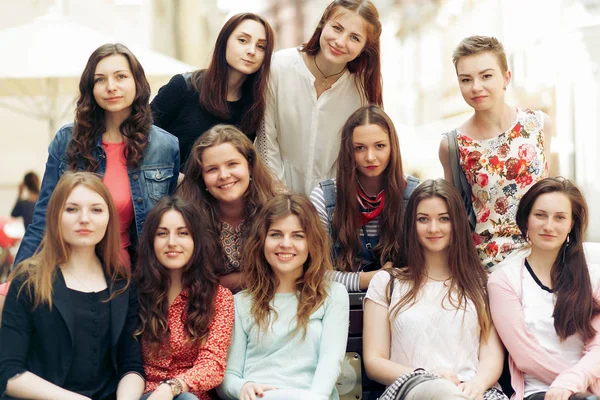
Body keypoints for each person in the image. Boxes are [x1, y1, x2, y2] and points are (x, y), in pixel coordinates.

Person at [14, 43, 180, 270]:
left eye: (121, 76)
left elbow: (166, 223)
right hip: (71, 271)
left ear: (137, 83)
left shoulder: (164, 146)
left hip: (135, 279)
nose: (111, 87)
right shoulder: (68, 140)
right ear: (90, 88)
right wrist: (16, 280)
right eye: (100, 79)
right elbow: (44, 217)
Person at [0, 172, 145, 400]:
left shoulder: (122, 284)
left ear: (109, 218)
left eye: (96, 210)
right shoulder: (28, 280)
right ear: (55, 216)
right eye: (72, 209)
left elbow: (132, 366)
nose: (85, 218)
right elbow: (8, 372)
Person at [363, 179, 506, 400]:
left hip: (472, 391)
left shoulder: (480, 284)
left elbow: (491, 355)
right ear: (411, 224)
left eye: (444, 219)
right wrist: (427, 377)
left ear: (457, 222)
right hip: (410, 388)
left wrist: (477, 385)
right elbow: (374, 361)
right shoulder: (386, 283)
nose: (433, 228)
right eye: (423, 219)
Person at [217, 193, 349, 400]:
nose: (286, 244)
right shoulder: (241, 302)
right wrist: (243, 387)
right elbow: (229, 376)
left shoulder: (333, 295)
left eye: (297, 235)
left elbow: (330, 361)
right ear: (262, 241)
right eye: (276, 234)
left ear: (311, 243)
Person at [439, 35, 552, 271]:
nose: (476, 87)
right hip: (488, 269)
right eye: (466, 79)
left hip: (546, 260)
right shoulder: (453, 144)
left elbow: (554, 195)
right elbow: (454, 216)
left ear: (506, 77)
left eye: (486, 76)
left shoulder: (539, 125)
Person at [488, 177, 600, 400]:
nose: (549, 226)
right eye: (540, 215)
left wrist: (577, 381)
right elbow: (525, 356)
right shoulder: (504, 280)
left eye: (560, 217)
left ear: (571, 224)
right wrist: (573, 385)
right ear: (526, 219)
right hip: (540, 391)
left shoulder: (592, 272)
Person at [257, 0, 383, 195]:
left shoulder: (361, 93)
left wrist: (325, 206)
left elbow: (349, 161)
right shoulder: (279, 67)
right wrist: (283, 201)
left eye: (355, 38)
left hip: (329, 209)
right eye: (337, 28)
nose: (340, 42)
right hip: (274, 203)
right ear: (324, 23)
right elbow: (266, 141)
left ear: (365, 48)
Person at [310, 105, 419, 292]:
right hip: (341, 308)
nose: (370, 157)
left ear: (393, 147)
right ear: (348, 151)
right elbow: (315, 273)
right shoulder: (323, 198)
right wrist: (372, 279)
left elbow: (425, 268)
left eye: (380, 146)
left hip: (400, 306)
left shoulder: (414, 194)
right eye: (360, 148)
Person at [135, 196, 234, 400]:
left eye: (182, 233)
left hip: (190, 394)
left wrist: (172, 387)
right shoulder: (135, 293)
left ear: (196, 240)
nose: (172, 243)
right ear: (151, 241)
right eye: (162, 234)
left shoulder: (218, 298)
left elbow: (213, 364)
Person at [151, 13, 274, 167]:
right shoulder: (184, 86)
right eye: (243, 40)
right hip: (173, 188)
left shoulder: (255, 105)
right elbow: (143, 134)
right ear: (224, 42)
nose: (252, 51)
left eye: (261, 46)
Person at [176, 124, 277, 292]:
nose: (224, 175)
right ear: (201, 177)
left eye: (232, 164)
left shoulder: (276, 210)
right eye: (212, 169)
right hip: (207, 309)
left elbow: (289, 270)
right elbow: (189, 282)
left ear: (250, 166)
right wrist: (254, 277)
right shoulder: (187, 219)